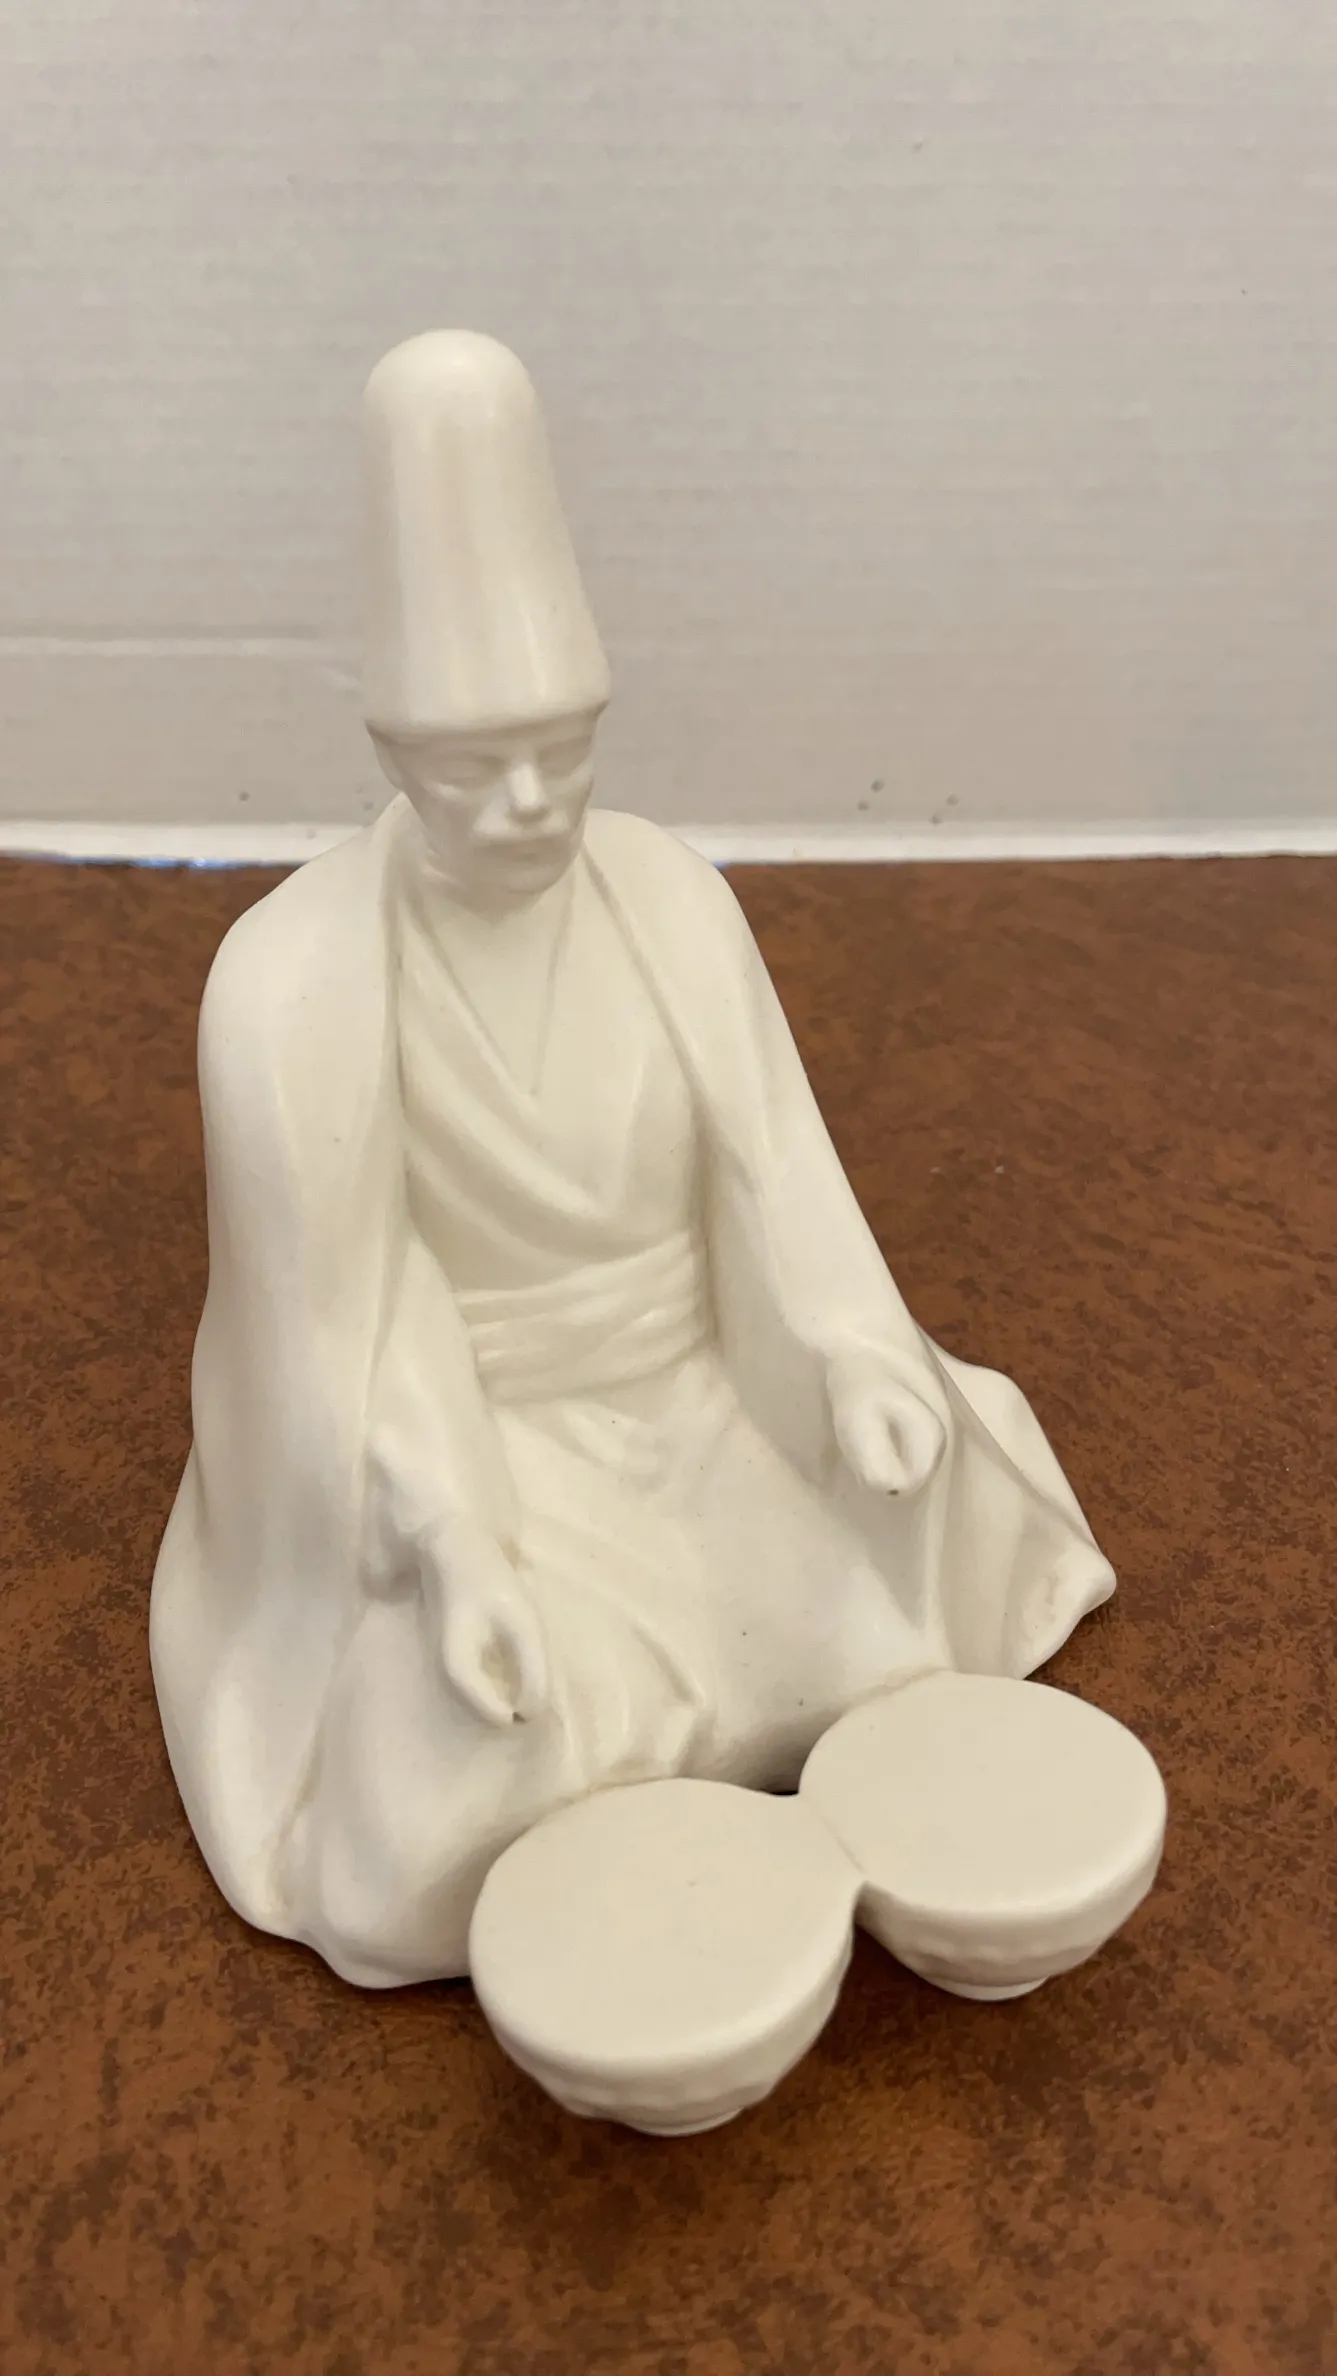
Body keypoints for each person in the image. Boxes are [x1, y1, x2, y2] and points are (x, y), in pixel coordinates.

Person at [151, 332, 1114, 1986]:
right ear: (393, 756)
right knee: (463, 1764)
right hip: (493, 1461)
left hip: (707, 1407)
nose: (532, 802)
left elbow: (774, 1185)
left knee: (881, 1634)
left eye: (567, 750)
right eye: (476, 768)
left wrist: (851, 1364)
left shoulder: (669, 898)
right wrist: (452, 1541)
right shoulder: (295, 984)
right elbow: (346, 1323)